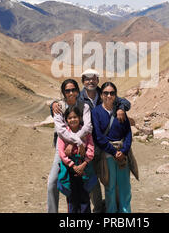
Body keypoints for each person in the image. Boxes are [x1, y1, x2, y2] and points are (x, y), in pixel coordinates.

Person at [49, 70, 131, 213]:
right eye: (87, 79)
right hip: (74, 147)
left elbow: (124, 102)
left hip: (97, 145)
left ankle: (106, 209)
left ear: (98, 80)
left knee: (103, 180)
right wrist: (53, 105)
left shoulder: (105, 93)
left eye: (93, 79)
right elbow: (61, 122)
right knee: (58, 181)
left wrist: (121, 108)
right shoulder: (77, 97)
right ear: (82, 81)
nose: (90, 81)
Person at [47, 79, 92, 213]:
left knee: (90, 180)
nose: (71, 93)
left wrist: (74, 142)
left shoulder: (85, 106)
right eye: (67, 90)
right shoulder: (58, 107)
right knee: (52, 183)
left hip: (83, 149)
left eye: (73, 90)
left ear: (78, 91)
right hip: (62, 150)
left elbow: (88, 126)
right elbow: (60, 130)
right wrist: (76, 141)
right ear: (63, 92)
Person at [92, 82, 132, 213]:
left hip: (123, 154)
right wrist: (114, 152)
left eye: (112, 93)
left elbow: (128, 133)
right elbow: (98, 136)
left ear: (115, 95)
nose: (109, 96)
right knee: (110, 187)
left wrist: (124, 151)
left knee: (124, 187)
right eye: (106, 93)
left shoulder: (121, 111)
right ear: (101, 95)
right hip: (108, 155)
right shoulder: (96, 112)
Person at [57, 105, 96, 213]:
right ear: (66, 120)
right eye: (70, 118)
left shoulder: (86, 132)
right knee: (72, 198)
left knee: (85, 197)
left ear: (80, 117)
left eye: (75, 117)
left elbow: (91, 148)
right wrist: (72, 165)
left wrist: (84, 164)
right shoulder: (63, 134)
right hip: (70, 169)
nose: (73, 120)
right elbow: (61, 152)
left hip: (84, 167)